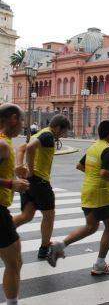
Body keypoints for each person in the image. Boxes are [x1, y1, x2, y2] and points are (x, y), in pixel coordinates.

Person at [47, 120, 109, 275]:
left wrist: (93, 176)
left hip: (88, 191)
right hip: (102, 194)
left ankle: (59, 246)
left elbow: (80, 166)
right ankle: (100, 264)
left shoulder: (93, 147)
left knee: (90, 227)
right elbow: (104, 173)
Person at [12, 115, 71, 259]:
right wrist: (31, 171)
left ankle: (3, 232)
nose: (64, 135)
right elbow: (30, 148)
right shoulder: (48, 136)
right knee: (49, 216)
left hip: (29, 181)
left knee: (27, 215)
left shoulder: (40, 132)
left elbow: (22, 148)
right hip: (39, 181)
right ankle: (44, 249)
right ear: (57, 128)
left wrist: (20, 166)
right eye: (64, 132)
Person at [0, 104, 30, 305]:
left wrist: (15, 173)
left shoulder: (6, 143)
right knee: (14, 262)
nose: (23, 125)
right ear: (12, 119)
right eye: (21, 120)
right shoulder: (2, 144)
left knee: (15, 260)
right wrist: (12, 183)